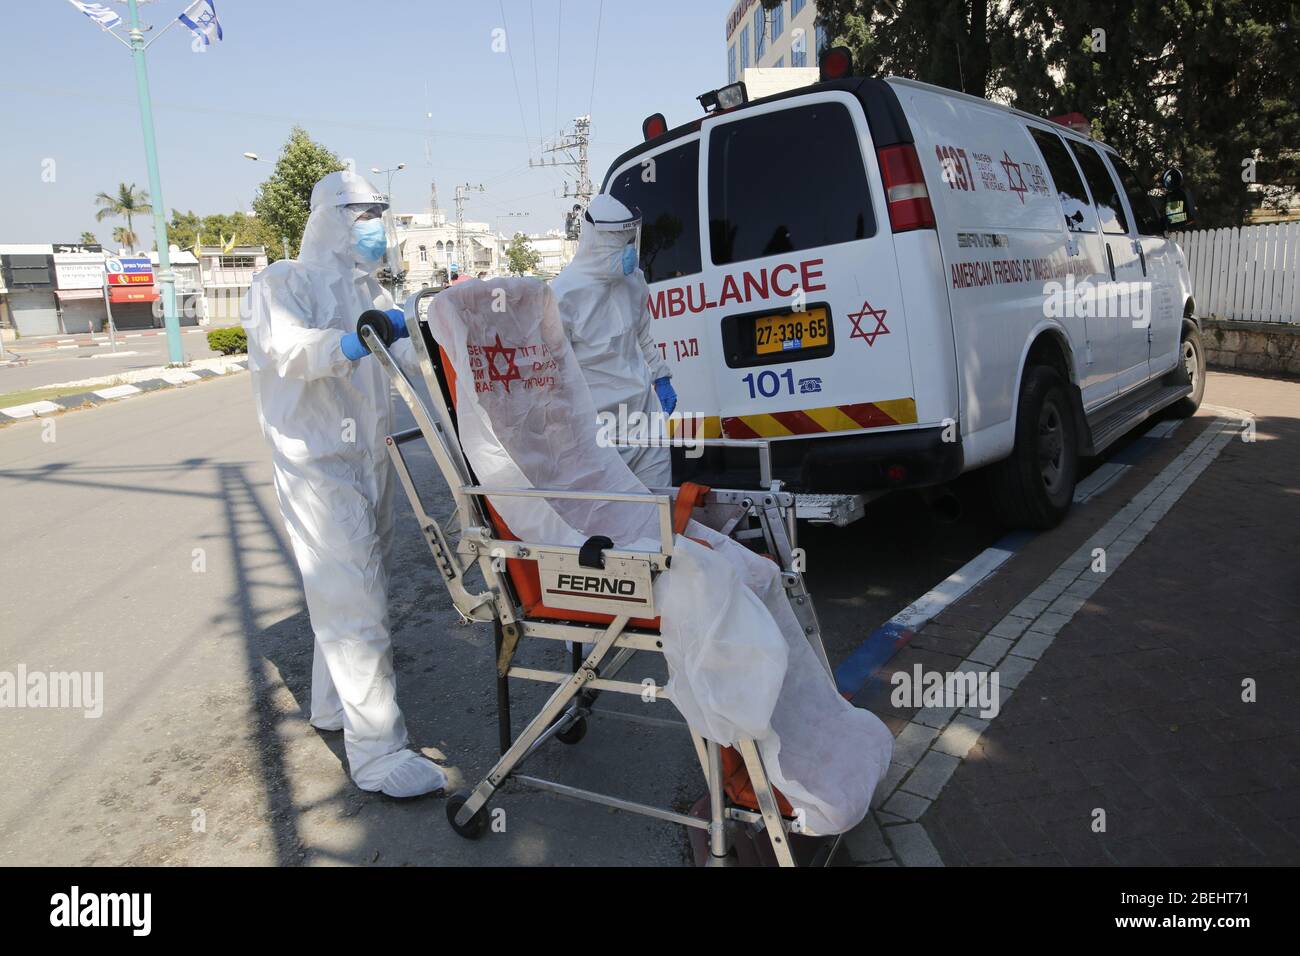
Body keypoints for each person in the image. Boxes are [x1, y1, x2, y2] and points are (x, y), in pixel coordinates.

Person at [243, 170, 445, 798]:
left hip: (370, 460)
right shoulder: (283, 282)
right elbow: (289, 349)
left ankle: (333, 709)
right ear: (330, 218)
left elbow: (407, 363)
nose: (377, 226)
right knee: (355, 600)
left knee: (356, 589)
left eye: (381, 212)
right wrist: (353, 343)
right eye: (364, 215)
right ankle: (378, 755)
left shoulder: (369, 288)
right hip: (318, 467)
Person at [549, 195, 676, 487]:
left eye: (630, 239)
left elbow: (642, 335)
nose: (629, 250)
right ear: (598, 242)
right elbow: (558, 375)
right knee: (617, 519)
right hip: (600, 428)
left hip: (645, 415)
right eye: (620, 241)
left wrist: (662, 376)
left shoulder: (634, 282)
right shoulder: (562, 296)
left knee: (659, 508)